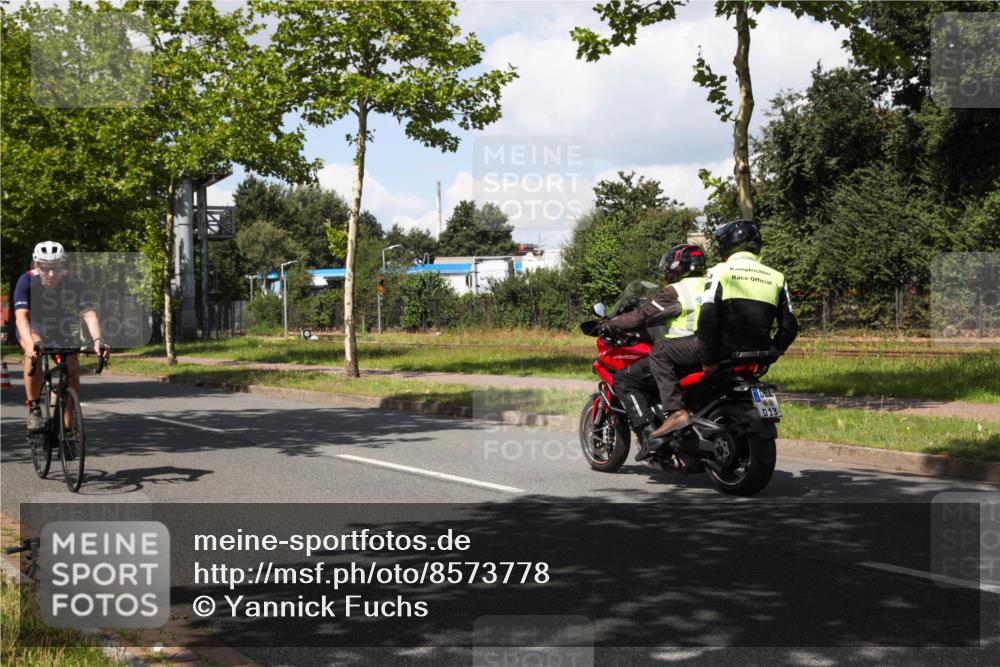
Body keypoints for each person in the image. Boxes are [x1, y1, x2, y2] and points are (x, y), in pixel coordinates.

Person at [645, 219, 799, 451]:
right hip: (757, 354)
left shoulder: (719, 272)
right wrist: (773, 352)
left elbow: (708, 317)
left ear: (728, 245)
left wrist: (707, 359)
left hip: (723, 351)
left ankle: (675, 412)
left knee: (659, 352)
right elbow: (790, 324)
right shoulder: (777, 277)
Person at [603, 243, 707, 461]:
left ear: (676, 267)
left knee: (624, 380)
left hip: (682, 355)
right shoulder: (712, 284)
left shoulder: (676, 291)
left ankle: (649, 435)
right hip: (710, 352)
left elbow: (641, 316)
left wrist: (611, 323)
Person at [14, 241, 109, 432]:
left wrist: (98, 340)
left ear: (62, 265)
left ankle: (68, 429)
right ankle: (34, 409)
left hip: (59, 327)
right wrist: (30, 345)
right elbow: (21, 318)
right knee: (35, 351)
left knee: (72, 368)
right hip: (34, 326)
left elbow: (89, 314)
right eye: (45, 268)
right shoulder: (26, 280)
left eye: (55, 268)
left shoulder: (73, 282)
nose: (51, 273)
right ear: (36, 265)